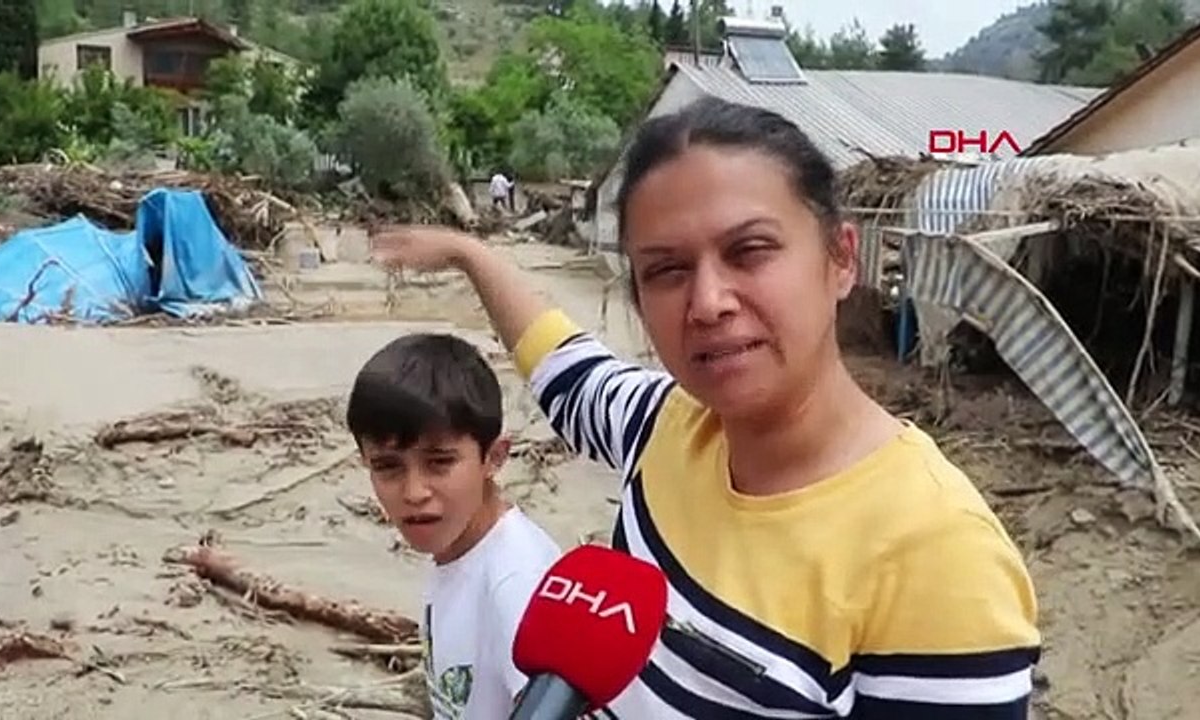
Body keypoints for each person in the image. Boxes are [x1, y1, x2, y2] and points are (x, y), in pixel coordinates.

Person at [370, 96, 1041, 718]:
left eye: (749, 250)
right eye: (667, 270)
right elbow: (560, 361)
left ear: (840, 258)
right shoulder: (666, 427)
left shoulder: (940, 559)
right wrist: (469, 254)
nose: (709, 301)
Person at [345, 333, 561, 719]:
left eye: (440, 462)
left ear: (493, 457)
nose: (414, 492)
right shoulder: (456, 549)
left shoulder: (517, 586)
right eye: (387, 466)